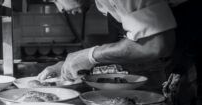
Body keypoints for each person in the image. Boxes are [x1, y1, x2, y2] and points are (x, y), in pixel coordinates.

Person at [38, 0, 176, 92]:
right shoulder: (102, 3)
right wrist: (71, 64)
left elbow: (155, 45)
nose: (60, 8)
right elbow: (121, 49)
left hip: (185, 73)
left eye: (56, 0)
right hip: (155, 79)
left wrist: (90, 56)